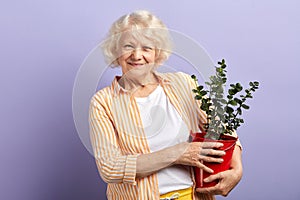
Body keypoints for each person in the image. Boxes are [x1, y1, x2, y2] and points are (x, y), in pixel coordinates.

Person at [89, 10, 243, 200]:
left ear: (157, 53)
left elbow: (223, 130)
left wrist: (237, 169)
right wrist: (178, 153)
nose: (137, 55)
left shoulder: (183, 83)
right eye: (128, 46)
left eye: (146, 47)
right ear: (116, 51)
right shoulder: (103, 102)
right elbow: (111, 168)